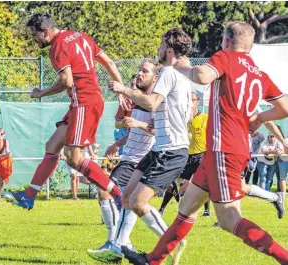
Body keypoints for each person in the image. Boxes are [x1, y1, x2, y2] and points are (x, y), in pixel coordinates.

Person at [122, 21, 288, 265]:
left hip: (224, 149)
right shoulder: (258, 73)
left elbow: (201, 75)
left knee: (228, 220)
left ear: (227, 41)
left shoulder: (226, 57)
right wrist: (260, 117)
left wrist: (181, 68)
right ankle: (153, 260)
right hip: (222, 150)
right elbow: (284, 107)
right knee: (187, 207)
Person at [3, 13, 128, 209]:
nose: (34, 39)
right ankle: (28, 196)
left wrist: (41, 93)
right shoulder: (81, 36)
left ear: (46, 32)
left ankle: (119, 195)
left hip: (84, 103)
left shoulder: (58, 47)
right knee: (52, 145)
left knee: (74, 159)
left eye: (35, 35)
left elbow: (66, 81)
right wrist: (122, 89)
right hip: (83, 102)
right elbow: (110, 63)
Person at [103, 28, 192, 264]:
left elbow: (152, 104)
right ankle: (118, 245)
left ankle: (173, 239)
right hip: (159, 149)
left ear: (169, 50)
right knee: (126, 197)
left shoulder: (170, 72)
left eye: (162, 45)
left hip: (170, 150)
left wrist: (124, 89)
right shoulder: (183, 76)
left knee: (138, 203)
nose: (158, 49)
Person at [87, 59, 160, 262]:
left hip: (140, 160)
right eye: (139, 70)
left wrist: (137, 123)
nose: (139, 73)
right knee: (129, 202)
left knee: (107, 192)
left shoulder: (155, 101)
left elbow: (157, 131)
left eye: (144, 71)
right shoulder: (138, 100)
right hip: (129, 157)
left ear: (156, 77)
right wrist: (118, 143)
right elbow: (132, 129)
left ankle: (115, 243)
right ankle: (120, 245)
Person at [158, 91, 210, 217]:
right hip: (185, 154)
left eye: (193, 99)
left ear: (198, 102)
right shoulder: (182, 119)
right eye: (188, 100)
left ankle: (206, 210)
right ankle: (162, 209)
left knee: (204, 182)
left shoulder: (205, 118)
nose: (190, 102)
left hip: (201, 154)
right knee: (173, 180)